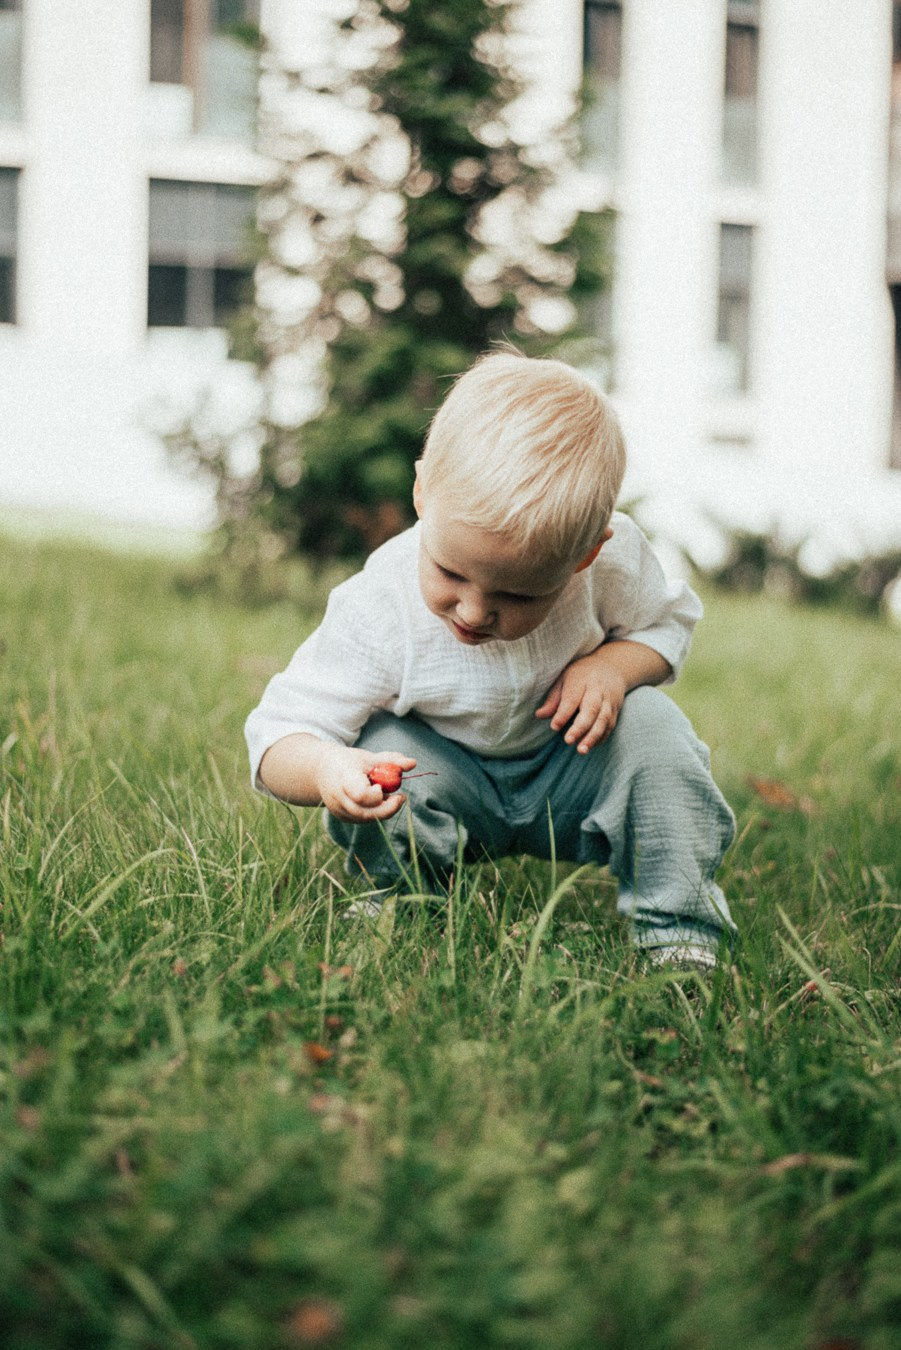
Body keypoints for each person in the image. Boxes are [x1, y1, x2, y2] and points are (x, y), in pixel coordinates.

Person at [245, 351, 736, 969]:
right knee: (382, 746)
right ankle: (402, 905)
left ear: (586, 555)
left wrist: (616, 665)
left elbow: (669, 623)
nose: (473, 611)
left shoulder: (612, 563)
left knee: (657, 731)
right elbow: (278, 732)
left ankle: (679, 931)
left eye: (517, 594)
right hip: (445, 781)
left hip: (572, 766)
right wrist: (325, 769)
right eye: (450, 572)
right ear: (423, 492)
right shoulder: (381, 604)